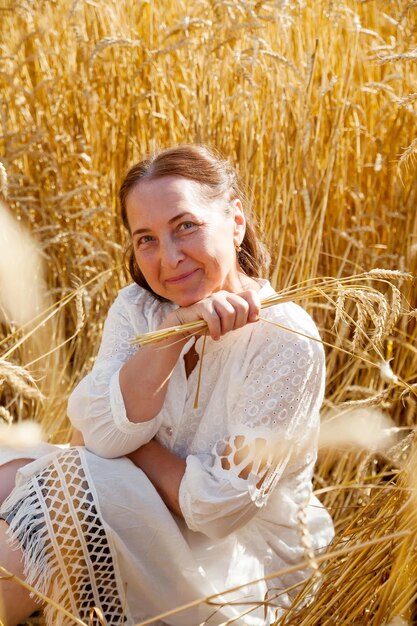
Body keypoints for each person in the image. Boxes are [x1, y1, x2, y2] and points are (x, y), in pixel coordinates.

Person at [0, 145, 333, 626]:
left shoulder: (285, 338)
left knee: (53, 496)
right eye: (146, 240)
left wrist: (134, 449)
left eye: (186, 226)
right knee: (16, 478)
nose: (169, 258)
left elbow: (218, 509)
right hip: (131, 505)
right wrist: (173, 334)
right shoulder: (139, 308)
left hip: (236, 569)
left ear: (235, 221)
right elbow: (97, 433)